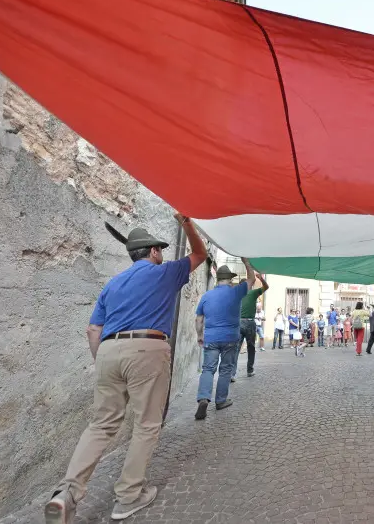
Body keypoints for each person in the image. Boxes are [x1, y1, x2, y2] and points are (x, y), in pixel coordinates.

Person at [44, 214, 206, 523]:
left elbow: (93, 329)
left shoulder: (113, 284)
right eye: (159, 249)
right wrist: (187, 223)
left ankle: (67, 493)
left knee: (101, 425)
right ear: (154, 252)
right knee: (146, 423)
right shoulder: (166, 272)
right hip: (147, 347)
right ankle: (129, 496)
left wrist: (103, 360)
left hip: (107, 350)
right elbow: (200, 254)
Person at [194, 261, 254, 420]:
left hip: (211, 338)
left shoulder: (206, 296)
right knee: (226, 369)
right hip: (230, 338)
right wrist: (246, 262)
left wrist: (200, 335)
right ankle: (220, 401)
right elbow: (252, 279)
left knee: (208, 369)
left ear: (218, 279)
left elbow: (199, 320)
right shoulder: (236, 292)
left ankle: (203, 398)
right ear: (229, 279)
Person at [236, 273, 269, 378]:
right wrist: (261, 279)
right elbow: (266, 287)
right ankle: (249, 370)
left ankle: (232, 373)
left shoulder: (236, 294)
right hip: (249, 322)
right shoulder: (252, 293)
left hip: (238, 322)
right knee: (251, 347)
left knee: (236, 348)